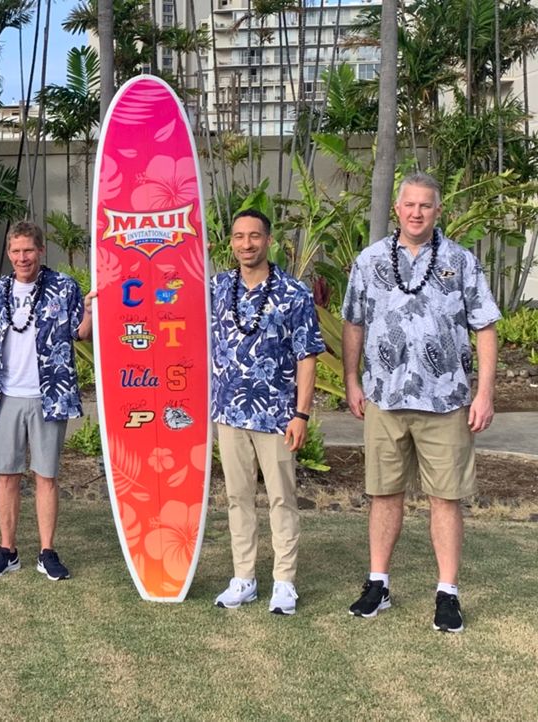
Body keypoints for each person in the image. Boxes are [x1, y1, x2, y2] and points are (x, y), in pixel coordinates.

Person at [342, 172, 500, 633]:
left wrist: (485, 393)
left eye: (425, 206)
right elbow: (353, 322)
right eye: (409, 205)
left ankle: (447, 592)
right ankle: (378, 584)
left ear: (438, 210)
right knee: (383, 493)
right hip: (385, 399)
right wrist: (352, 381)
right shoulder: (370, 261)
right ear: (397, 209)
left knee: (445, 499)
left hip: (446, 401)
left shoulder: (461, 262)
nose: (416, 212)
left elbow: (485, 326)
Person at [209, 209, 324, 616]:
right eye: (239, 237)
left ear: (268, 240)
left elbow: (307, 355)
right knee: (238, 498)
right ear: (231, 242)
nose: (246, 244)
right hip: (228, 412)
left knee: (281, 498)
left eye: (254, 236)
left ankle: (284, 582)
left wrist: (302, 413)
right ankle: (243, 578)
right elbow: (168, 300)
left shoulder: (293, 293)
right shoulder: (217, 288)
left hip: (276, 414)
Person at [0, 220, 93, 580]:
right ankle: (7, 549)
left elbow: (81, 334)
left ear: (41, 250)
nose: (22, 257)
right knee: (7, 476)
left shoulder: (64, 287)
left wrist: (90, 310)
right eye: (15, 251)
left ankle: (47, 551)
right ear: (8, 254)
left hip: (49, 396)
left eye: (28, 250)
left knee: (46, 476)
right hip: (6, 395)